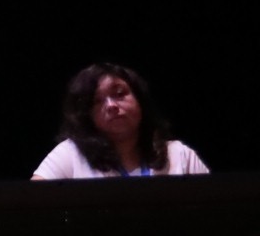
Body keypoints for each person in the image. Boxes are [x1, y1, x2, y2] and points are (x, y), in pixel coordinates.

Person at [32, 62, 208, 179]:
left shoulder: (179, 154)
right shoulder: (70, 154)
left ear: (140, 100)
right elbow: (32, 205)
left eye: (119, 94)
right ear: (87, 115)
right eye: (97, 101)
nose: (111, 106)